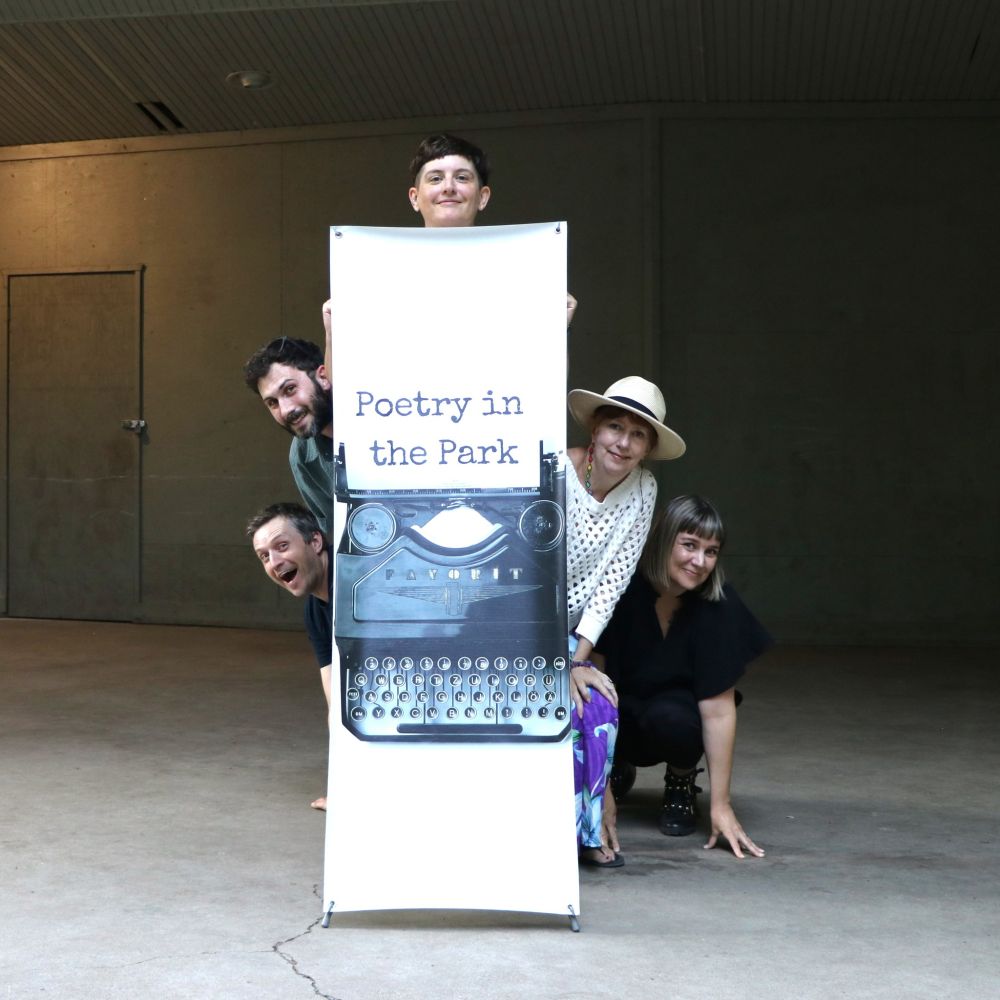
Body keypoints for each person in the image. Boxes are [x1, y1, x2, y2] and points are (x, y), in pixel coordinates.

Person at [594, 495, 773, 860]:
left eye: (711, 551)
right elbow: (590, 683)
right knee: (602, 702)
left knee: (672, 718)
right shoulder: (619, 587)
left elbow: (719, 712)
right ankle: (617, 769)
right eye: (689, 545)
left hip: (675, 719)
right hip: (618, 712)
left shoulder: (717, 605)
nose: (700, 561)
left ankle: (680, 777)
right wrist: (598, 790)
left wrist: (721, 804)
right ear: (663, 540)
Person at [322, 132, 577, 370]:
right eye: (435, 178)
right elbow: (346, 386)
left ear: (483, 196)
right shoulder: (374, 274)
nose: (448, 187)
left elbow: (544, 385)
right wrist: (334, 335)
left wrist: (557, 326)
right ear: (414, 197)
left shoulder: (522, 274)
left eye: (462, 177)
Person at [563, 375, 686, 868]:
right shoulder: (556, 469)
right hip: (523, 626)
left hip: (577, 638)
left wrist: (576, 659)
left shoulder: (643, 490)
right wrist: (557, 660)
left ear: (648, 448)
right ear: (596, 428)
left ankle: (588, 832)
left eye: (638, 435)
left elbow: (610, 586)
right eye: (615, 426)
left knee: (597, 708)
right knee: (558, 707)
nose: (623, 442)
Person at [247, 502, 333, 810]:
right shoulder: (315, 611)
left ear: (315, 541)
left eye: (282, 546)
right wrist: (343, 784)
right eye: (265, 556)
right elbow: (336, 702)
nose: (274, 561)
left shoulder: (357, 585)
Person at [243, 338, 333, 535]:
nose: (285, 410)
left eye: (290, 389)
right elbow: (337, 534)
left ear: (323, 377)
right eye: (272, 403)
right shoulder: (301, 455)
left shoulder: (383, 413)